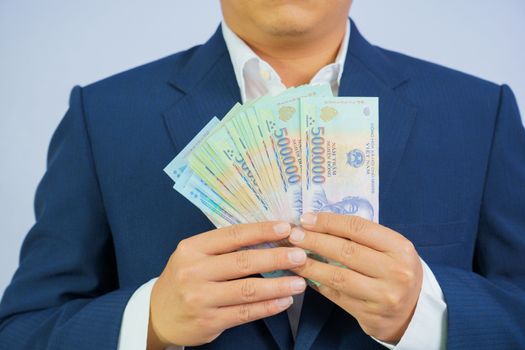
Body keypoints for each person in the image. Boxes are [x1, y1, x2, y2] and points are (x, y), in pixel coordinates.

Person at [1, 1, 524, 349]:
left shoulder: (480, 111)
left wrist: (427, 310)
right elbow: (22, 331)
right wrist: (150, 321)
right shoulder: (105, 115)